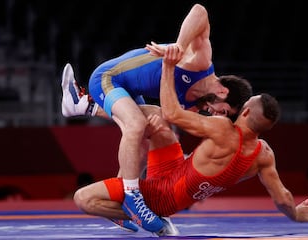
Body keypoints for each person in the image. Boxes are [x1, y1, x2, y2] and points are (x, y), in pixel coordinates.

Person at [73, 44, 308, 237]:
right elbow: (282, 198)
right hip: (175, 172)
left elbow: (172, 113)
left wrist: (169, 65)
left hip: (161, 197)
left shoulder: (224, 130)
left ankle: (141, 215)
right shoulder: (264, 154)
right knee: (156, 124)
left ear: (245, 112)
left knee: (83, 199)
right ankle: (86, 105)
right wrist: (296, 214)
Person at [61, 3, 253, 233]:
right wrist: (180, 47)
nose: (215, 115)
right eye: (222, 111)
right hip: (108, 78)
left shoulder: (193, 107)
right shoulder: (199, 61)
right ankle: (132, 196)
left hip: (131, 93)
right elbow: (200, 11)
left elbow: (168, 123)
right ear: (223, 92)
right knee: (136, 125)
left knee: (146, 135)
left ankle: (84, 106)